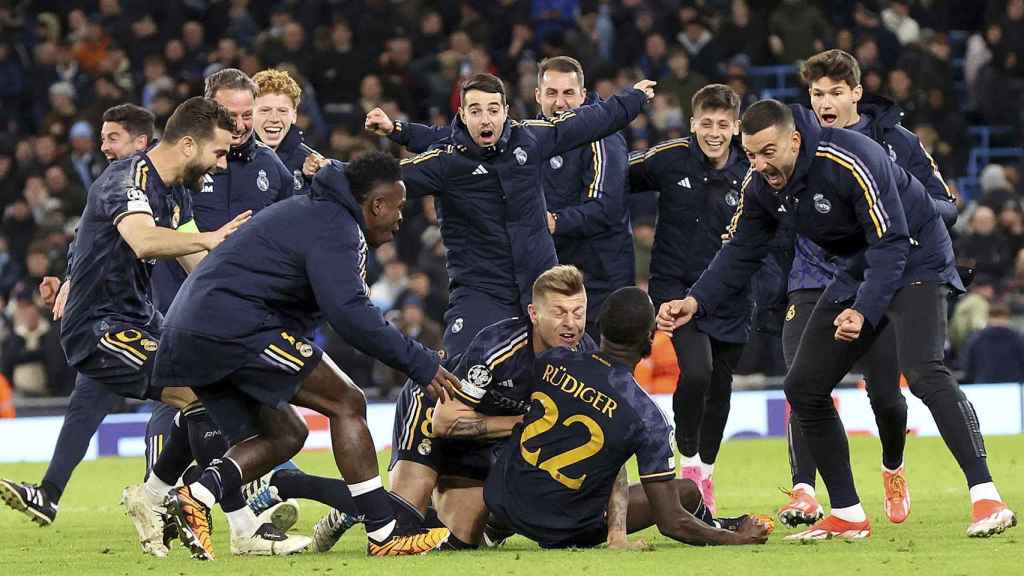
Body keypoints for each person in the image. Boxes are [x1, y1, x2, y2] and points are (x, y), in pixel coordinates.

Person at [657, 100, 1015, 540]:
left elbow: (891, 244)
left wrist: (862, 309)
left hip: (916, 255)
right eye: (750, 155)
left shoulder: (849, 158)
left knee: (923, 372)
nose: (759, 164)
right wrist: (696, 301)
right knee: (803, 387)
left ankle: (987, 497)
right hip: (857, 265)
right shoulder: (762, 184)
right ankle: (847, 513)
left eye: (768, 152)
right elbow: (740, 251)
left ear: (794, 139)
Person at [142, 153, 459, 559]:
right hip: (233, 326)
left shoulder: (316, 211)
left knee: (284, 434)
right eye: (398, 208)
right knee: (347, 402)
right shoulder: (338, 226)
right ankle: (384, 532)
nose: (400, 219)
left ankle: (197, 496)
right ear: (376, 205)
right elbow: (351, 315)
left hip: (191, 333)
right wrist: (419, 360)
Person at [0, 97, 248, 536]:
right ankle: (229, 521)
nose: (222, 165)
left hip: (138, 317)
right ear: (189, 145)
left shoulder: (175, 191)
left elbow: (196, 262)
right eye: (219, 152)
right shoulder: (125, 178)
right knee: (197, 395)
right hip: (101, 325)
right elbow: (143, 242)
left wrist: (247, 288)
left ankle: (66, 494)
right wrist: (210, 240)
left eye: (111, 137)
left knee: (182, 397)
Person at [777, 49, 958, 527]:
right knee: (802, 383)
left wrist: (898, 204)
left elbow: (946, 206)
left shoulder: (897, 142)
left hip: (878, 276)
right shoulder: (800, 143)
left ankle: (893, 467)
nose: (826, 102)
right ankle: (804, 492)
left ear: (856, 93)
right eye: (818, 93)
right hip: (812, 279)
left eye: (836, 92)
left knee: (885, 394)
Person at [365, 72, 656, 356]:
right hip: (482, 290)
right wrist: (327, 171)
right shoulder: (446, 162)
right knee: (457, 374)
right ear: (463, 116)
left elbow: (594, 119)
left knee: (583, 370)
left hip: (541, 285)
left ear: (505, 111)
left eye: (493, 109)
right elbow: (380, 179)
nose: (486, 118)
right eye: (476, 111)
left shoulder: (529, 138)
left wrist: (635, 97)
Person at [482, 287, 773, 549]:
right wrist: (737, 541)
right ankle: (722, 528)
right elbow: (671, 521)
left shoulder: (553, 360)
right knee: (683, 492)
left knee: (685, 491)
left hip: (502, 498)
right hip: (564, 529)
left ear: (601, 329)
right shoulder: (647, 416)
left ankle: (493, 529)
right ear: (650, 338)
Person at [385, 265, 594, 551]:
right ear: (534, 314)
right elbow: (443, 423)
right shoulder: (501, 347)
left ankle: (471, 516)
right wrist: (524, 422)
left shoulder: (588, 361)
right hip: (433, 406)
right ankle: (354, 504)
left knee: (460, 543)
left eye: (578, 313)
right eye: (559, 313)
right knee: (399, 531)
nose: (571, 323)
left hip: (483, 435)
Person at [627, 84, 752, 514]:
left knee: (721, 385)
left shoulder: (752, 169)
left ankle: (707, 472)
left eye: (723, 124)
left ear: (736, 128)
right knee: (697, 370)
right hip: (676, 290)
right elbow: (615, 176)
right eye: (706, 123)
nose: (713, 132)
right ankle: (690, 461)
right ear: (693, 122)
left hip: (734, 293)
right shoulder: (668, 157)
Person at [252, 68, 327, 194]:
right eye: (265, 110)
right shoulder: (226, 160)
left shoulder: (312, 163)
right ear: (249, 113)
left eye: (282, 111)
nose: (274, 119)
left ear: (294, 116)